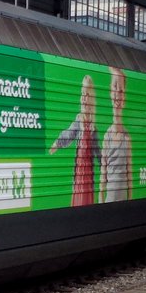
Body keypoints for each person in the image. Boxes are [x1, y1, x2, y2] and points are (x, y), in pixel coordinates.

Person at [50, 74, 98, 206]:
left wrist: (104, 162)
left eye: (87, 95)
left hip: (89, 172)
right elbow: (69, 134)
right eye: (82, 94)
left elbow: (98, 150)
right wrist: (57, 144)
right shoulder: (79, 119)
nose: (84, 98)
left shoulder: (93, 126)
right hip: (80, 170)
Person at [100, 67, 132, 202]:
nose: (118, 95)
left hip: (123, 199)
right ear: (110, 92)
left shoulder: (127, 138)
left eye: (121, 91)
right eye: (115, 87)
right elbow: (103, 174)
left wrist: (131, 201)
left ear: (124, 97)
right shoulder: (107, 137)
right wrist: (100, 201)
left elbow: (129, 174)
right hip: (110, 199)